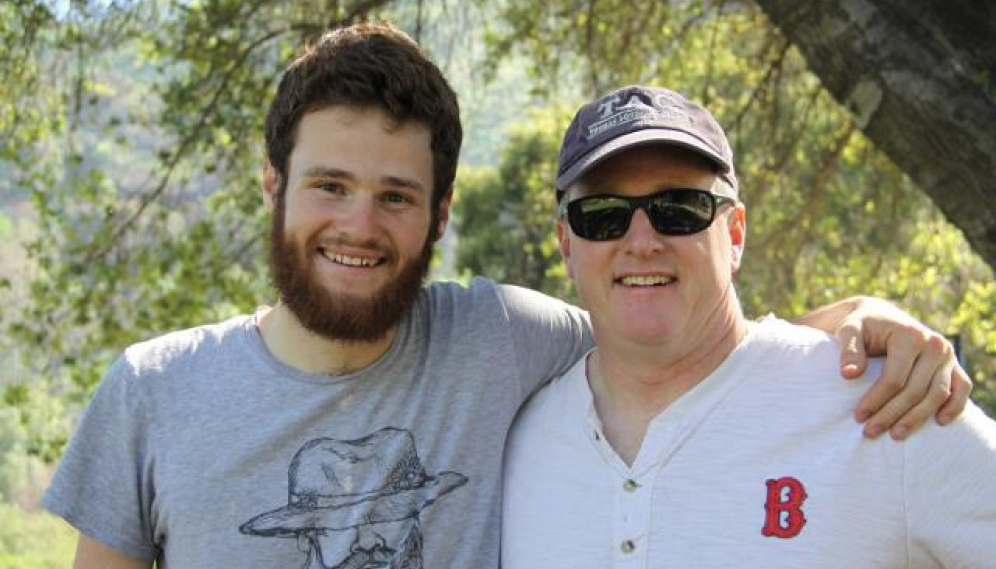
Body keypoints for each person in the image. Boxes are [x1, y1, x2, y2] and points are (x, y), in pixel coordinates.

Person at [42, 23, 970, 569]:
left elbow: (675, 331)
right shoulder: (150, 393)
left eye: (396, 196)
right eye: (330, 185)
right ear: (272, 187)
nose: (359, 225)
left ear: (440, 213)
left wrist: (852, 328)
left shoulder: (496, 339)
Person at [501, 84, 996, 568]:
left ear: (734, 234)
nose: (642, 240)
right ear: (567, 244)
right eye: (603, 215)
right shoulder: (519, 442)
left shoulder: (889, 405)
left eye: (679, 209)